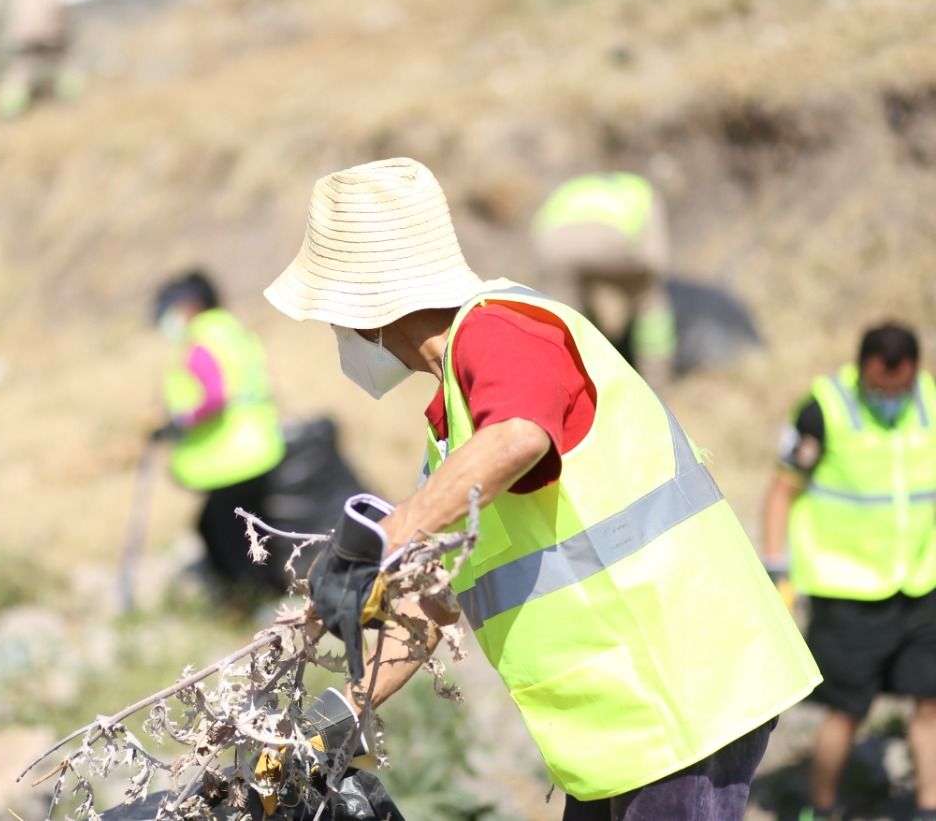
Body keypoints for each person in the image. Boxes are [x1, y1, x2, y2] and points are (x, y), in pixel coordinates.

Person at [263, 157, 821, 820]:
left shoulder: (501, 330)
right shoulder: (456, 430)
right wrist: (339, 711)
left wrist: (384, 537)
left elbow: (522, 435)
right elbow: (433, 602)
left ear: (362, 307)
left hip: (679, 693)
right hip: (621, 722)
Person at [762, 323, 936, 821]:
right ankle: (822, 807)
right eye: (878, 387)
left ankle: (928, 808)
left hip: (921, 582)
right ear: (862, 370)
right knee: (849, 710)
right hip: (848, 590)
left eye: (897, 388)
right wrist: (778, 569)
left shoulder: (928, 400)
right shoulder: (824, 408)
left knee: (930, 701)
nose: (888, 397)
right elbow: (782, 490)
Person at [152, 272, 289, 600]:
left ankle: (252, 601)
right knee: (250, 531)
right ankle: (265, 595)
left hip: (231, 457)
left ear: (190, 306)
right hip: (260, 448)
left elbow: (214, 396)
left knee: (224, 534)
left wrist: (178, 422)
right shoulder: (231, 331)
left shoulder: (202, 339)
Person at [530, 172, 676, 388]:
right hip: (612, 241)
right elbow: (656, 259)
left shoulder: (572, 188)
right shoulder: (640, 191)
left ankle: (560, 382)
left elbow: (538, 225)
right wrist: (640, 280)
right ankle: (657, 382)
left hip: (554, 245)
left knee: (563, 314)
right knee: (648, 297)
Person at [0, 0, 78, 119]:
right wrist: (59, 29)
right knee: (68, 62)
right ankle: (70, 101)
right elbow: (57, 3)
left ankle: (10, 109)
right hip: (46, 27)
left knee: (21, 69)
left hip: (22, 29)